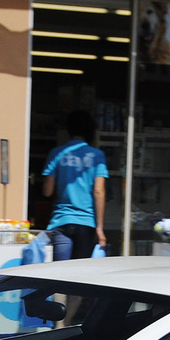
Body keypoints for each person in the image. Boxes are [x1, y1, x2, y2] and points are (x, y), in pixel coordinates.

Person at [42, 110, 108, 260]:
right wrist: (100, 228)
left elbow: (47, 191)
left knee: (60, 273)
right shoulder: (97, 155)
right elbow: (99, 191)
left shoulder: (57, 153)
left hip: (62, 220)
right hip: (86, 223)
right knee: (79, 274)